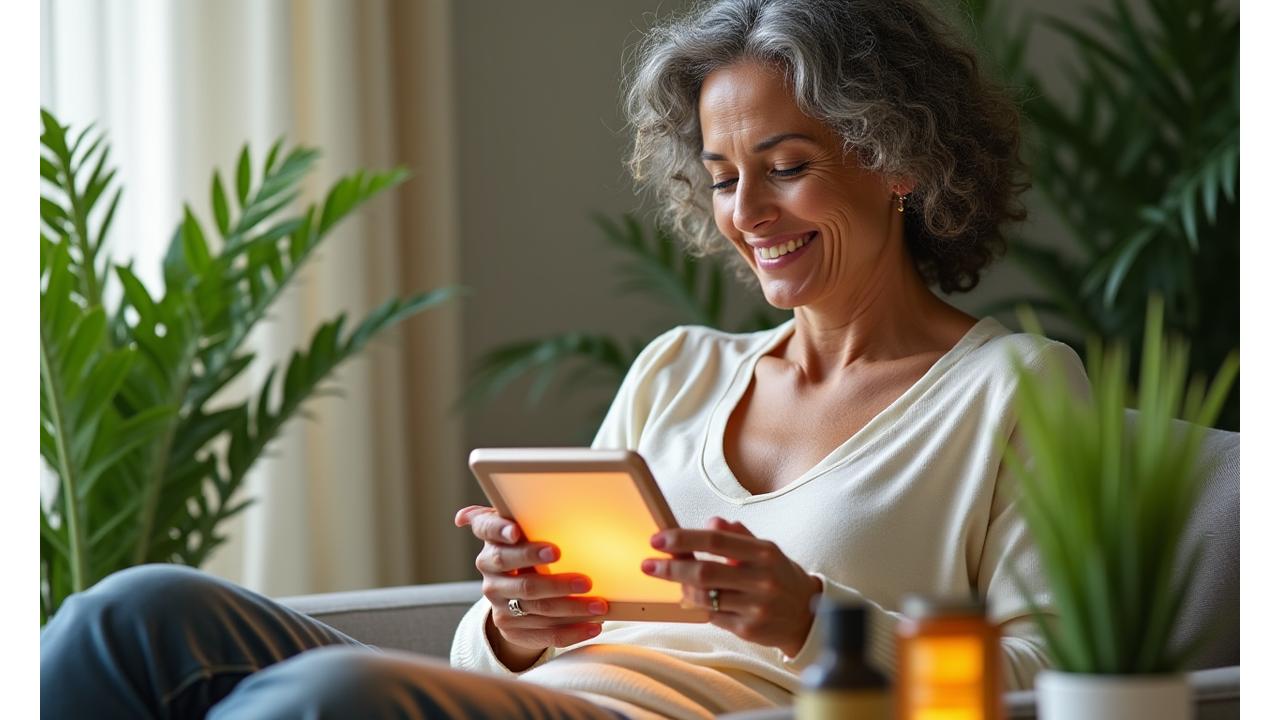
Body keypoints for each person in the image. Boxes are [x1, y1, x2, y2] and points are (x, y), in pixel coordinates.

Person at [40, 1, 1088, 718]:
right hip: (543, 698)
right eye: (723, 177)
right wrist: (514, 621)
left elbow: (1049, 679)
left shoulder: (1013, 391)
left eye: (787, 166)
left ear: (899, 160)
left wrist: (812, 621)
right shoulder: (679, 369)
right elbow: (488, 661)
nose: (748, 213)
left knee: (326, 701)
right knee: (127, 616)